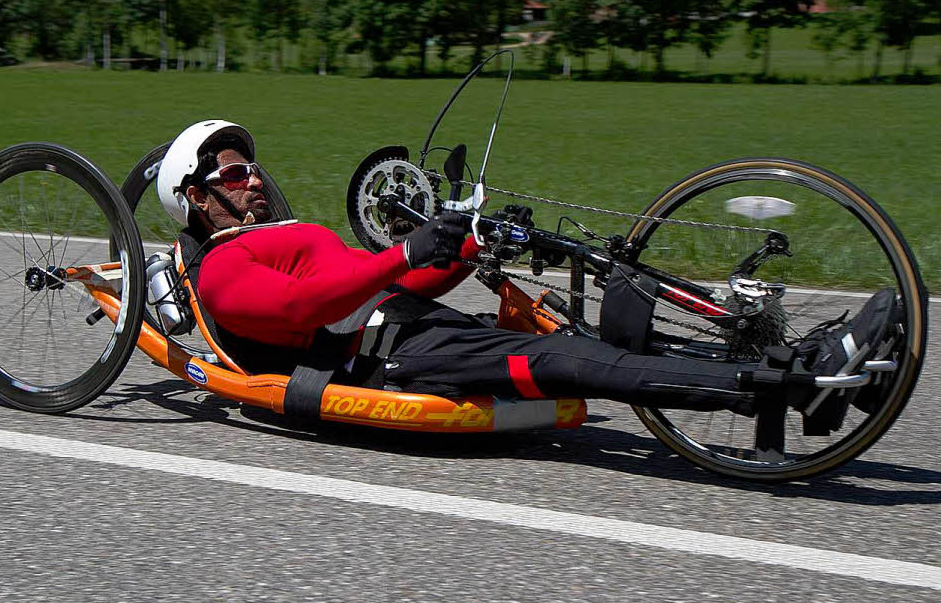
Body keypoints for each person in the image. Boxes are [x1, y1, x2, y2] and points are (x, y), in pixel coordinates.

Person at [156, 120, 894, 420]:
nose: (253, 179)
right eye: (236, 171)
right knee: (570, 360)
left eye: (252, 167)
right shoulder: (222, 270)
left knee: (595, 315)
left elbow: (397, 286)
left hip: (411, 327)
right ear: (198, 197)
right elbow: (303, 310)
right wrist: (403, 252)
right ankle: (801, 383)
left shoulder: (287, 231)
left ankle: (792, 367)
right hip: (392, 359)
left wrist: (460, 249)